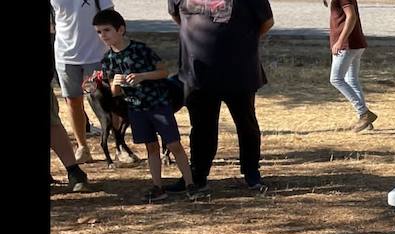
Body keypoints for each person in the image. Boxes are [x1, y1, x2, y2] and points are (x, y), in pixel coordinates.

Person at [93, 9, 203, 202]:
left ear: (121, 30)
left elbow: (163, 72)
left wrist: (141, 76)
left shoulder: (140, 49)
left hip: (158, 104)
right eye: (99, 32)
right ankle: (158, 186)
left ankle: (190, 184)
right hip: (135, 109)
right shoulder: (108, 60)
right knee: (150, 147)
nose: (103, 36)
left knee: (174, 144)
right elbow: (115, 92)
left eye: (107, 30)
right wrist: (116, 84)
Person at [168, 0, 275, 192]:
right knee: (201, 127)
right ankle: (198, 176)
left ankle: (251, 173)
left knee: (246, 123)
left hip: (239, 70)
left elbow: (267, 22)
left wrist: (242, 41)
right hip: (197, 72)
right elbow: (177, 17)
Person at [52, 0, 115, 165]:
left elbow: (111, 16)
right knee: (73, 102)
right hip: (65, 55)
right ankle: (82, 147)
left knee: (108, 102)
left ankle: (119, 146)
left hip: (97, 54)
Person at [327, 0, 377, 131]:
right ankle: (365, 120)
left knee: (336, 79)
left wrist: (340, 41)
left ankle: (364, 113)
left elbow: (351, 16)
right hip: (355, 44)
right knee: (352, 80)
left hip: (347, 46)